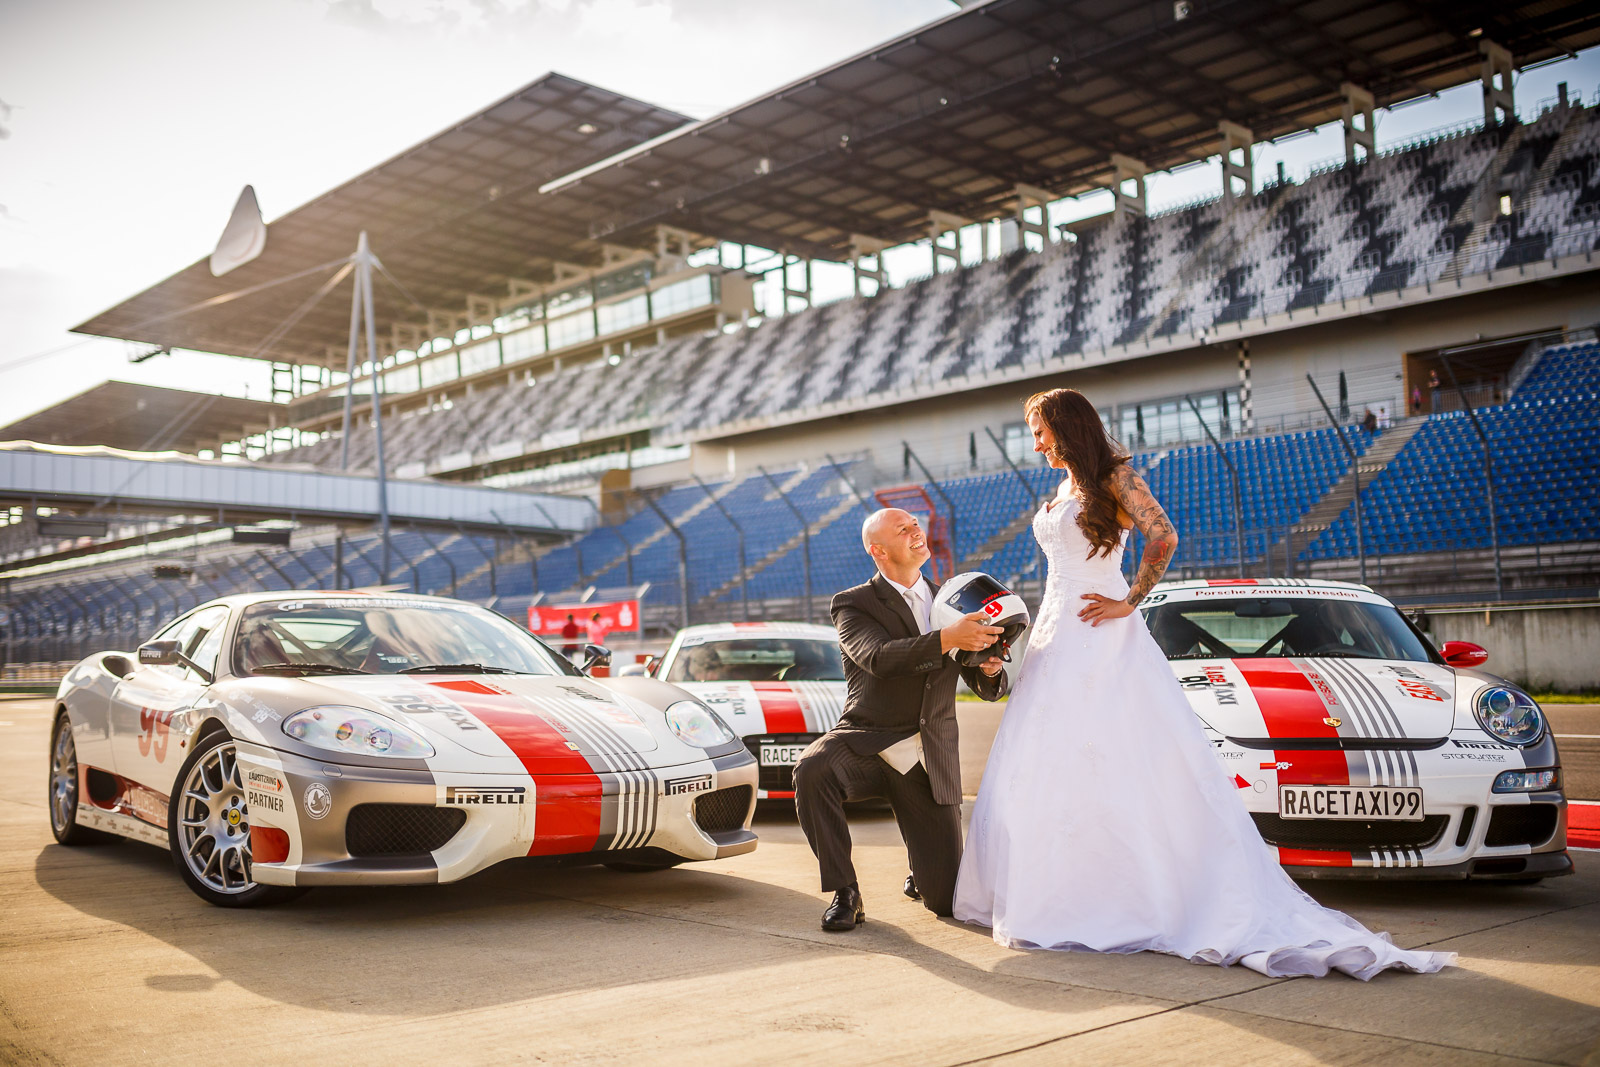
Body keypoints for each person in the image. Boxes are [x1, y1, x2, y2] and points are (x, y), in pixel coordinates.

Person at [952, 387, 1455, 980]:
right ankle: (1055, 894)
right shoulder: (1063, 488)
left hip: (1102, 634)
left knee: (1122, 761)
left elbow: (1163, 534)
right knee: (1045, 765)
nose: (1035, 444)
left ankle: (1132, 902)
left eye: (1040, 431)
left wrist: (1129, 601)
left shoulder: (1115, 478)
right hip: (1057, 635)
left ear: (1068, 428)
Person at [793, 508, 1009, 931]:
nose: (916, 532)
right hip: (866, 742)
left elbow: (988, 689)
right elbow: (878, 658)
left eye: (916, 525)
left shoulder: (954, 601)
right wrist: (948, 638)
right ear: (878, 550)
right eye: (903, 529)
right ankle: (845, 892)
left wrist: (989, 669)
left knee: (947, 902)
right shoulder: (853, 603)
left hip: (929, 757)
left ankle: (923, 873)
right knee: (812, 769)